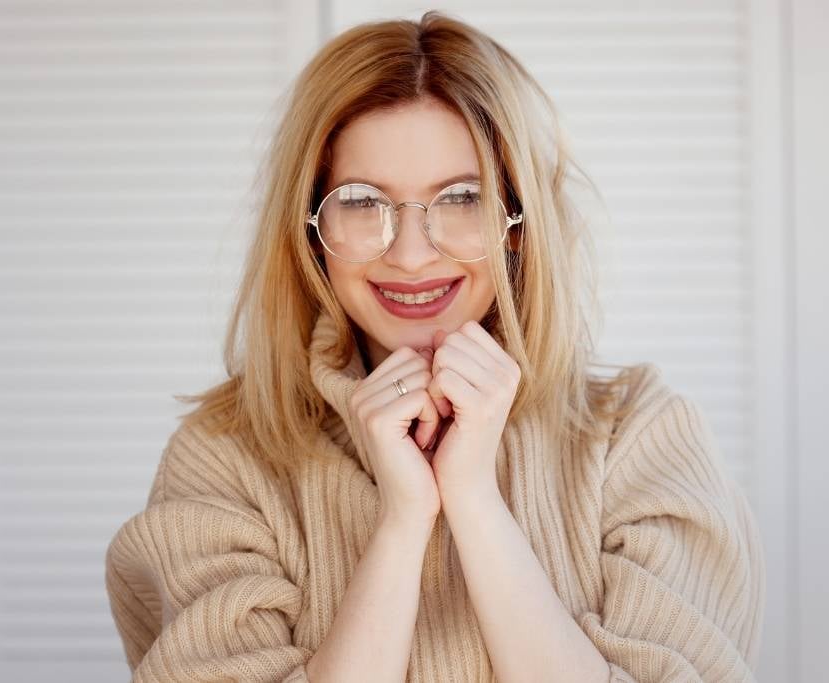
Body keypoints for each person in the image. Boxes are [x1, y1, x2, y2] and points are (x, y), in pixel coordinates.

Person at [104, 11, 765, 683]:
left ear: (517, 221)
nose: (412, 255)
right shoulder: (221, 460)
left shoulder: (639, 436)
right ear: (310, 231)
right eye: (362, 202)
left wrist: (474, 499)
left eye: (461, 198)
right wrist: (401, 522)